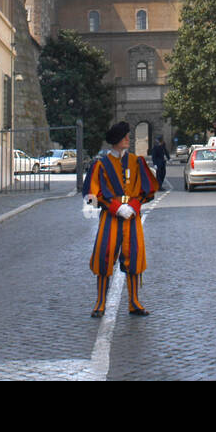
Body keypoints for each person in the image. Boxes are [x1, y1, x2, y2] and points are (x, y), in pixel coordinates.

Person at [87, 121, 157, 318]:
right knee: (103, 257)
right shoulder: (101, 165)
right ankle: (100, 303)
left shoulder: (137, 162)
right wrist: (116, 208)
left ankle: (134, 302)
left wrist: (133, 207)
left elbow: (147, 189)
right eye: (125, 137)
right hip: (110, 217)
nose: (128, 139)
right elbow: (94, 194)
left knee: (134, 257)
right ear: (117, 141)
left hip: (132, 218)